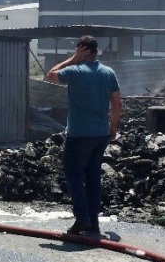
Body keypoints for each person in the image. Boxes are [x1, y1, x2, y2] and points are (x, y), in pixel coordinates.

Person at [45, 35, 121, 235]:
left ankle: (82, 219)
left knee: (75, 176)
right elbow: (117, 104)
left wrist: (72, 58)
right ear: (96, 52)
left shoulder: (75, 71)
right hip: (101, 134)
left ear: (81, 50)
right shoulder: (108, 72)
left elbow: (50, 75)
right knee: (93, 176)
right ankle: (93, 222)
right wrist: (112, 129)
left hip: (79, 134)